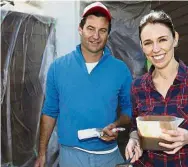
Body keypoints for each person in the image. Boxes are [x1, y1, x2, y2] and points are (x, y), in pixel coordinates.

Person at [34, 2, 132, 167]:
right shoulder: (58, 68)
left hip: (108, 156)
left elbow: (128, 111)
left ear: (108, 34)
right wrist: (42, 154)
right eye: (90, 28)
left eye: (102, 30)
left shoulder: (120, 70)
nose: (96, 36)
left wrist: (116, 125)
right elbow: (50, 112)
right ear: (80, 29)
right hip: (71, 156)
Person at [125, 10, 188, 167]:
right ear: (142, 47)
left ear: (175, 39)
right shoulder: (137, 87)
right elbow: (134, 127)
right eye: (148, 43)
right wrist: (134, 139)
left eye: (162, 39)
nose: (155, 49)